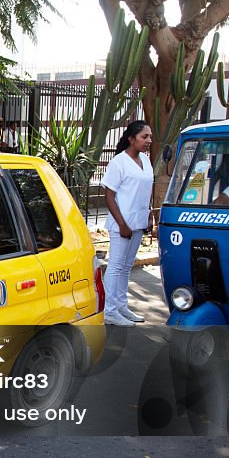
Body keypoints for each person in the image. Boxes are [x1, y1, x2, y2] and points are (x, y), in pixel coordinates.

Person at [101, 120, 153, 327]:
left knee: (126, 267)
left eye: (150, 136)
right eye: (144, 137)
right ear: (131, 139)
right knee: (115, 266)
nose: (149, 140)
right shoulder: (118, 162)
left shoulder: (146, 161)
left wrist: (149, 216)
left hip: (138, 223)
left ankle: (121, 306)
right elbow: (109, 195)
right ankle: (109, 310)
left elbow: (145, 191)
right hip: (121, 225)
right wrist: (122, 224)